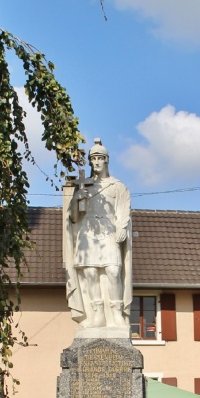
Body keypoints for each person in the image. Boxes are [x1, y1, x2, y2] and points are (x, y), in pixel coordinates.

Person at [64, 139, 132, 329]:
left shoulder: (117, 186)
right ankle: (98, 314)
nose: (97, 162)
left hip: (109, 231)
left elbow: (123, 208)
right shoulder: (83, 186)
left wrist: (122, 227)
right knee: (91, 273)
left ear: (107, 160)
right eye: (93, 159)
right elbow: (74, 219)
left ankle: (116, 313)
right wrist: (76, 199)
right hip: (87, 233)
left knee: (113, 271)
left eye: (100, 158)